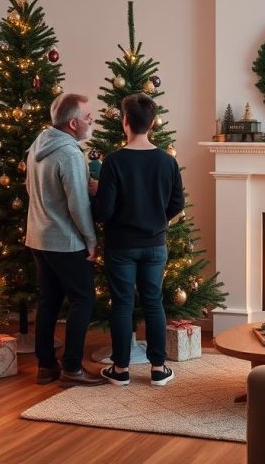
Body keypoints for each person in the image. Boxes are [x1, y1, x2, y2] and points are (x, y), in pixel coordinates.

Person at [92, 93, 184, 386]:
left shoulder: (114, 161)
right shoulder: (167, 162)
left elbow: (104, 210)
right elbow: (177, 203)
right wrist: (158, 220)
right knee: (154, 302)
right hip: (155, 244)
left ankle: (120, 371)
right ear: (153, 123)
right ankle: (158, 368)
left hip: (121, 245)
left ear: (125, 122)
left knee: (122, 304)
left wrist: (96, 195)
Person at [25, 93, 105, 386]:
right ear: (73, 124)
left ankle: (46, 366)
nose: (91, 121)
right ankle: (72, 368)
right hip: (65, 241)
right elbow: (78, 204)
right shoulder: (70, 154)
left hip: (37, 236)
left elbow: (29, 188)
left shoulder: (38, 144)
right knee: (83, 298)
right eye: (87, 117)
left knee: (48, 301)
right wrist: (91, 239)